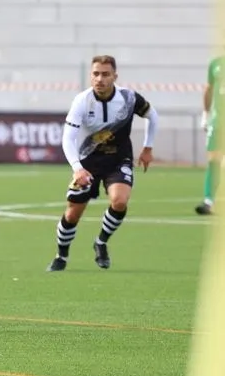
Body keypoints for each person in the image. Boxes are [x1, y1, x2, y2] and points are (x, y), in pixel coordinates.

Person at [46, 55, 159, 272]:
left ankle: (101, 242)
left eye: (105, 74)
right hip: (88, 162)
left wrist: (148, 148)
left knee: (119, 201)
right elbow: (67, 138)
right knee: (72, 214)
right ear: (91, 76)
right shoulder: (82, 100)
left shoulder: (128, 98)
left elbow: (152, 116)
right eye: (96, 74)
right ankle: (61, 256)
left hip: (119, 159)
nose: (100, 79)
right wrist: (77, 168)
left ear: (114, 76)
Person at [196, 55, 223, 216]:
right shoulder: (216, 64)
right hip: (219, 122)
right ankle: (208, 201)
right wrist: (206, 115)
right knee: (214, 161)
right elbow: (209, 88)